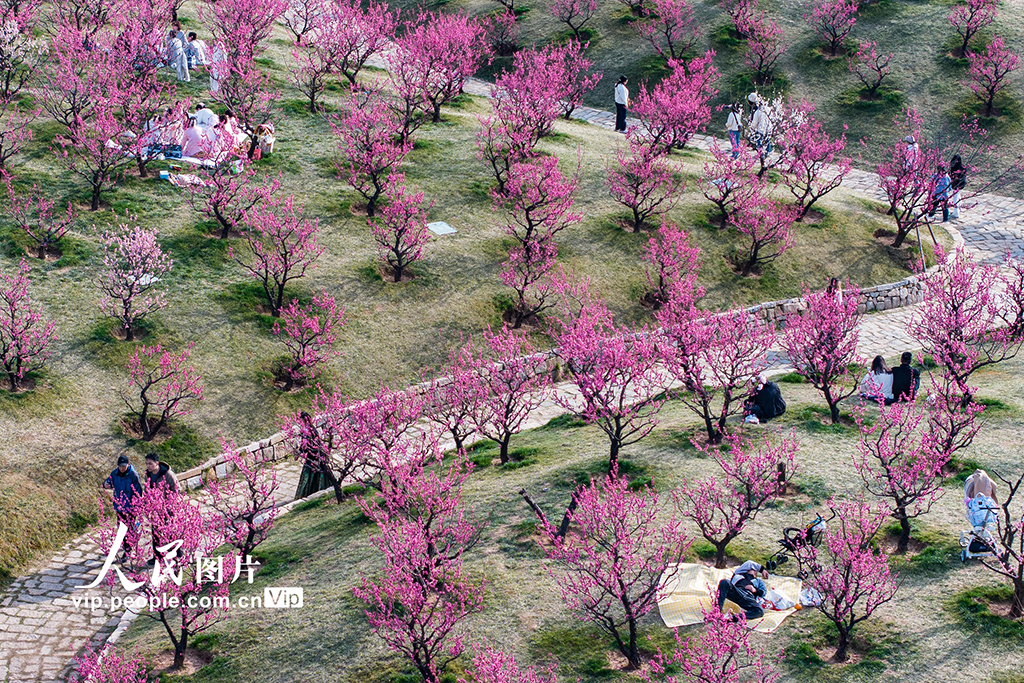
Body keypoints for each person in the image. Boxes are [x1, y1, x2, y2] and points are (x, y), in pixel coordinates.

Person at [102, 455, 143, 562]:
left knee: (128, 529)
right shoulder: (115, 473)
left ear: (128, 464)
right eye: (120, 466)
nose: (122, 468)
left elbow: (138, 491)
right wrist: (106, 484)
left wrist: (136, 506)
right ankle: (128, 544)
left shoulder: (133, 475)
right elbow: (108, 481)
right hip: (119, 507)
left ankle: (128, 551)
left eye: (124, 466)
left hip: (130, 507)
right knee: (121, 528)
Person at [294, 412, 336, 499]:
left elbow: (304, 445)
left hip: (312, 456)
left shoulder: (306, 431)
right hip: (318, 454)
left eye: (300, 420)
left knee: (309, 474)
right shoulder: (313, 429)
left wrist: (299, 454)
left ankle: (307, 493)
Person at [749, 93, 771, 159]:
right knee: (767, 140)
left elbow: (755, 121)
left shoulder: (758, 112)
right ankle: (768, 152)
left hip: (760, 129)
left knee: (759, 141)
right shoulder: (768, 109)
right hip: (768, 128)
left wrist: (752, 128)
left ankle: (761, 154)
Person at [949, 154, 966, 219]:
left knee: (955, 198)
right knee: (957, 195)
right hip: (961, 183)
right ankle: (959, 207)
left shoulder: (953, 168)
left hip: (956, 184)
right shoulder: (963, 167)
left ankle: (956, 212)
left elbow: (951, 176)